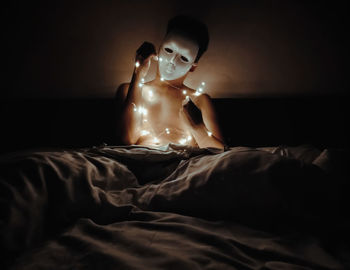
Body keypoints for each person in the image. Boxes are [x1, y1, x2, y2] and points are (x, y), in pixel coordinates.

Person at [115, 15, 225, 149]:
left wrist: (198, 128)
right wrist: (138, 73)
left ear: (193, 66)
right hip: (141, 163)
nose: (172, 61)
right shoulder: (128, 90)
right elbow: (127, 139)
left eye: (183, 58)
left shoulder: (199, 101)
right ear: (160, 49)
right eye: (168, 50)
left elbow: (221, 154)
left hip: (185, 166)